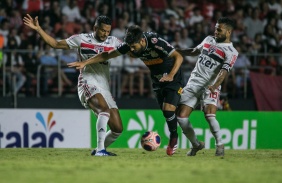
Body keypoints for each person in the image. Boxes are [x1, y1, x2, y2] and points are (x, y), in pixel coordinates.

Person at [68, 25, 201, 156]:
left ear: (142, 41)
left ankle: (173, 138)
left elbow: (179, 57)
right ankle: (192, 142)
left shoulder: (155, 42)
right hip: (157, 80)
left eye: (134, 47)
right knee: (166, 112)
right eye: (129, 46)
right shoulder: (129, 45)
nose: (131, 50)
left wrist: (171, 75)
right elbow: (106, 55)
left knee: (168, 109)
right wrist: (85, 63)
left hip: (173, 77)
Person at [23, 14, 123, 156]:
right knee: (104, 111)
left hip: (104, 86)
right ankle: (100, 150)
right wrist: (38, 29)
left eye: (108, 31)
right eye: (102, 30)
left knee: (117, 129)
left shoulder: (114, 41)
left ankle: (99, 149)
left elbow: (130, 50)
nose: (105, 34)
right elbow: (56, 44)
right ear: (95, 27)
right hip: (87, 82)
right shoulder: (82, 39)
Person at [176, 17, 238, 156]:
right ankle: (196, 145)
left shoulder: (231, 51)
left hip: (210, 86)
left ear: (228, 32)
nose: (215, 31)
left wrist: (215, 85)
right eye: (215, 28)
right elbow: (194, 51)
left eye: (219, 29)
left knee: (209, 115)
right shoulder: (208, 40)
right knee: (181, 117)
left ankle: (220, 144)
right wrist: (177, 51)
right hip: (193, 82)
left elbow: (224, 71)